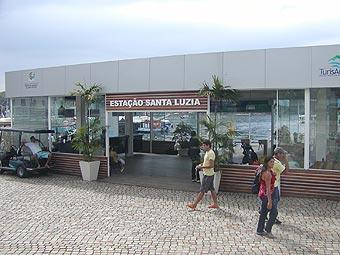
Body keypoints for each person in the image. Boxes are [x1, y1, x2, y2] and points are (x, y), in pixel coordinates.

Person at [187, 140, 219, 210]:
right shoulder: (207, 152)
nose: (203, 147)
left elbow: (211, 165)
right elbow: (206, 163)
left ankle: (194, 204)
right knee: (212, 189)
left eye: (204, 145)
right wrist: (201, 164)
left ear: (208, 145)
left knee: (202, 190)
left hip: (208, 175)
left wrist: (201, 167)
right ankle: (216, 204)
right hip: (208, 174)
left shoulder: (211, 153)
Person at [256, 155, 277, 238]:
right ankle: (268, 230)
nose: (273, 163)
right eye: (271, 162)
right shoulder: (267, 173)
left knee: (264, 213)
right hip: (265, 195)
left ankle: (260, 229)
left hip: (263, 194)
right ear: (267, 163)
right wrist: (269, 201)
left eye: (273, 162)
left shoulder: (268, 171)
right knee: (274, 212)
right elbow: (268, 187)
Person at [272, 147, 289, 225]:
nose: (283, 155)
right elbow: (286, 172)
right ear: (278, 154)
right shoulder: (277, 163)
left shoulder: (272, 160)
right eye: (282, 154)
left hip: (272, 184)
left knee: (276, 199)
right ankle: (272, 217)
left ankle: (263, 210)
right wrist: (286, 161)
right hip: (274, 184)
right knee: (275, 201)